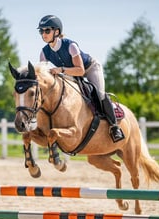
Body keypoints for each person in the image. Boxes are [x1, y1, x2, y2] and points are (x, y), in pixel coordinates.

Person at [37, 15, 125, 143]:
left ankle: (114, 127)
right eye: (41, 31)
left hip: (89, 68)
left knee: (100, 94)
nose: (43, 34)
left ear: (56, 32)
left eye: (47, 31)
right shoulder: (44, 52)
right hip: (70, 73)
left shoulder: (70, 45)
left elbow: (80, 70)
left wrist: (60, 70)